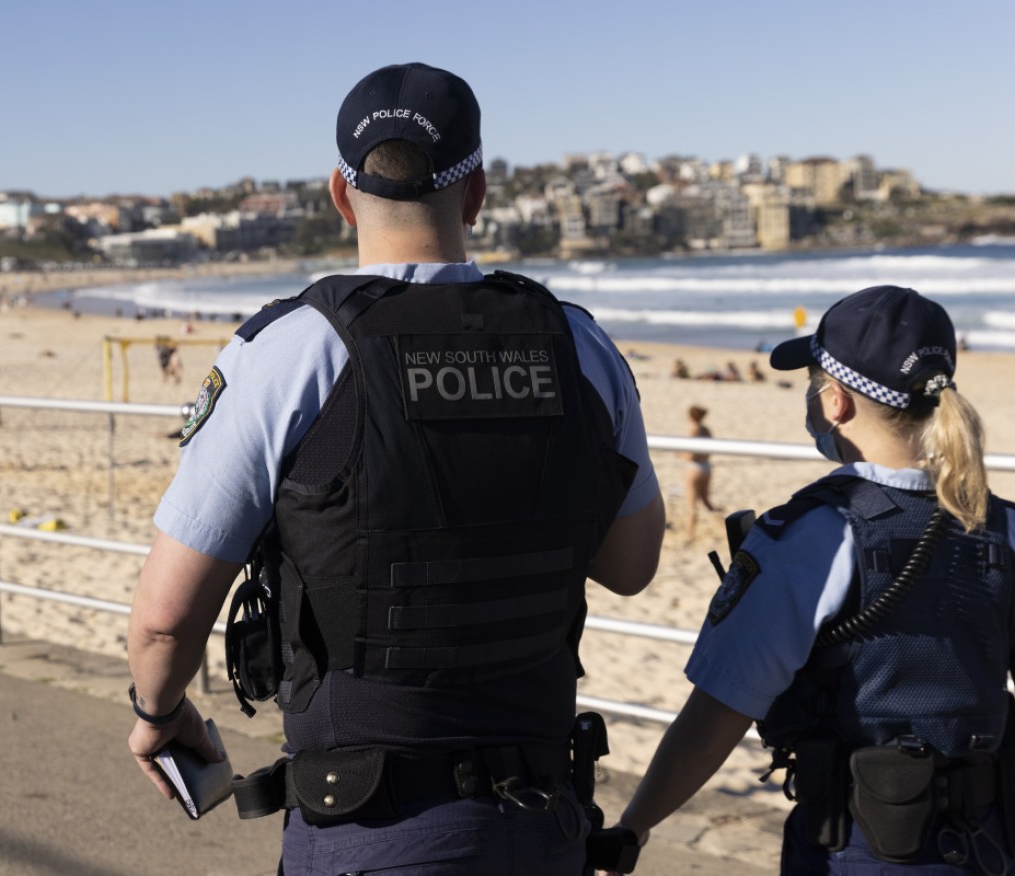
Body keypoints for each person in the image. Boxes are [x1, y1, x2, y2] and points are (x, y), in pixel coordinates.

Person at [126, 62, 666, 876]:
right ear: (476, 190)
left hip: (372, 830)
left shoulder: (289, 353)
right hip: (542, 823)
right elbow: (631, 567)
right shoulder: (577, 344)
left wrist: (158, 715)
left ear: (341, 193)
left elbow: (166, 621)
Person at [609, 285, 1015, 875]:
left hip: (858, 851)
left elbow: (714, 719)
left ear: (836, 403)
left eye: (813, 382)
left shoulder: (808, 536)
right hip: (989, 850)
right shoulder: (1011, 531)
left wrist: (632, 828)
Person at [682, 405, 718, 542]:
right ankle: (723, 526)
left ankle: (689, 535)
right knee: (707, 501)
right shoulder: (707, 430)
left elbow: (691, 455)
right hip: (707, 467)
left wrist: (680, 454)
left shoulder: (693, 430)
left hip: (694, 468)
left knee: (692, 505)